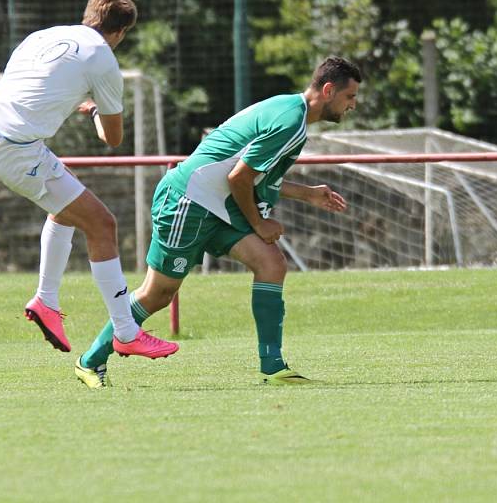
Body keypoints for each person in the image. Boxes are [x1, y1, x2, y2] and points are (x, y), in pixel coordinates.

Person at [74, 56, 362, 388]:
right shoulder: (291, 123)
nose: (352, 105)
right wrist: (260, 224)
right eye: (350, 97)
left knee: (271, 264)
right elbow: (241, 177)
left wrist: (307, 194)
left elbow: (249, 175)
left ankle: (273, 365)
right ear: (328, 90)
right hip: (188, 200)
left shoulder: (289, 111)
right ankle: (90, 361)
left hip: (216, 204)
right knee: (158, 293)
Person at [0, 0, 178, 360]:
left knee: (66, 205)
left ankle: (46, 301)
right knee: (102, 224)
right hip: (15, 149)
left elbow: (2, 97)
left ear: (88, 15)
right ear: (121, 33)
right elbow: (113, 138)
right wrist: (92, 111)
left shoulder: (44, 36)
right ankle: (125, 331)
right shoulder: (102, 58)